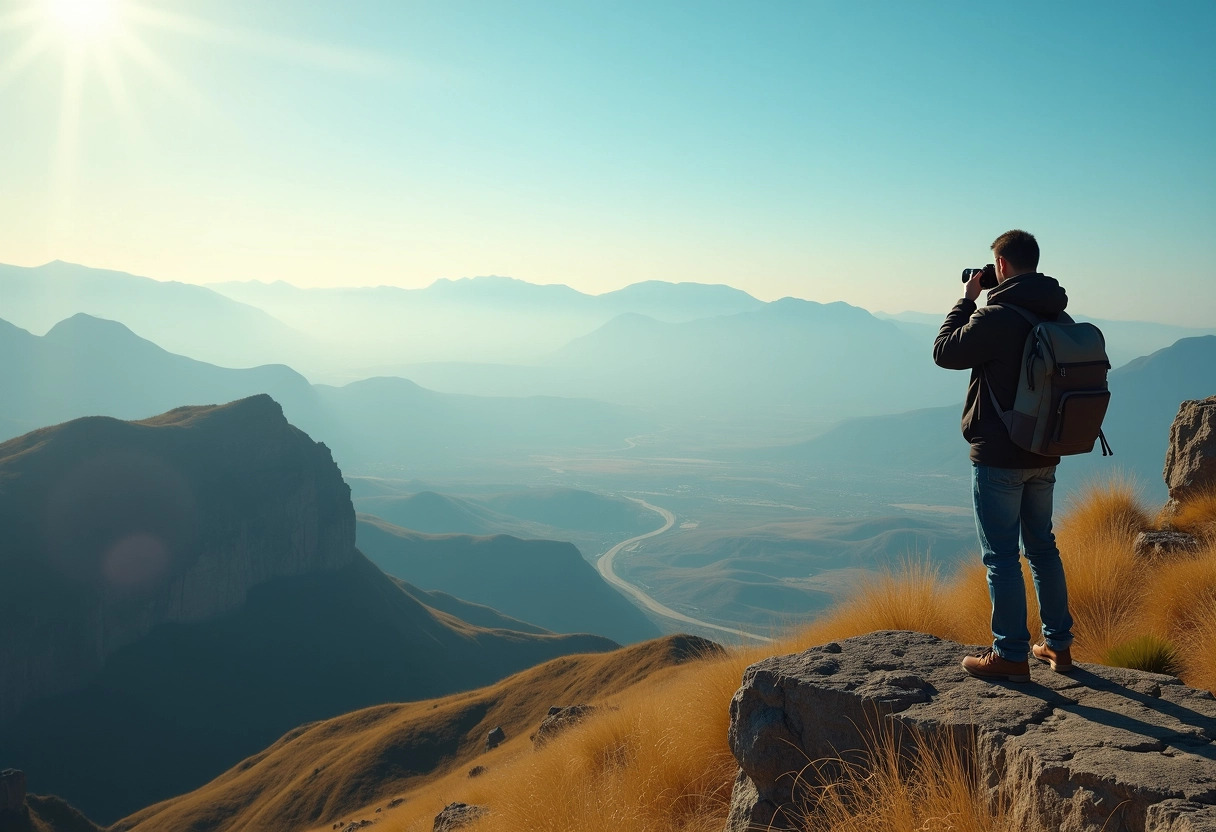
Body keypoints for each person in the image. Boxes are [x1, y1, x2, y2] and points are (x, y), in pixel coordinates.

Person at [932, 229, 1075, 682]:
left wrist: (967, 299)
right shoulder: (1059, 316)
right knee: (1042, 549)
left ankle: (1011, 654)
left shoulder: (996, 316)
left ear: (1002, 266)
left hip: (999, 457)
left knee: (1000, 558)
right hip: (1046, 452)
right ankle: (1057, 646)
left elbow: (944, 352)